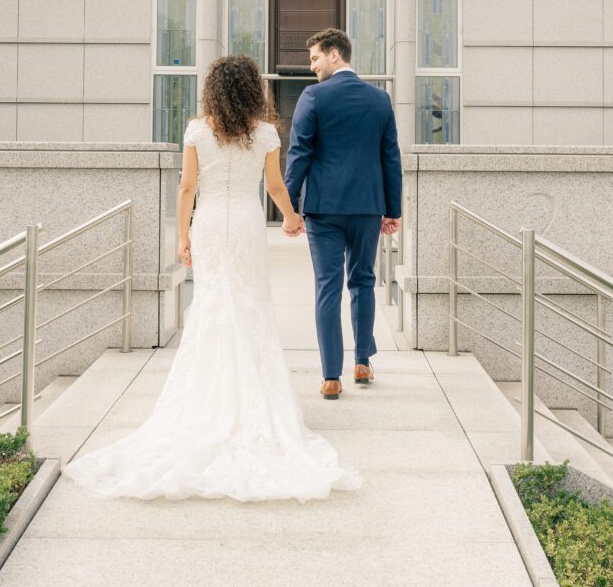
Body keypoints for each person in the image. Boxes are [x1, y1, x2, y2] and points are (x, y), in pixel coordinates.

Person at [62, 54, 361, 503]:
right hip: (243, 223)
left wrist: (182, 236)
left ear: (212, 90)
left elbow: (186, 187)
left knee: (211, 306)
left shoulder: (197, 129)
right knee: (251, 306)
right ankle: (254, 405)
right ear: (251, 89)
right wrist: (292, 218)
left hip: (210, 224)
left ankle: (206, 402)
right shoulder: (263, 133)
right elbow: (275, 187)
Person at [284, 29, 402, 401]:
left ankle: (331, 376)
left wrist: (289, 208)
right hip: (368, 206)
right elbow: (390, 158)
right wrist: (393, 208)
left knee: (328, 288)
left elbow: (299, 153)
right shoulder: (380, 100)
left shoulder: (314, 97)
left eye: (315, 59)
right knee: (364, 281)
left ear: (334, 55)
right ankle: (363, 360)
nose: (312, 67)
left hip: (324, 208)